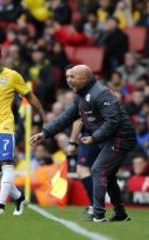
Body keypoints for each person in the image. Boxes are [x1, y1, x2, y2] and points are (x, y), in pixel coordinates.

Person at [30, 65, 136, 222]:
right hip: (107, 139)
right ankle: (120, 213)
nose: (69, 80)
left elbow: (113, 121)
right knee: (109, 176)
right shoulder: (80, 95)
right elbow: (66, 117)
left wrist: (94, 138)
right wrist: (45, 133)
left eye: (73, 77)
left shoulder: (101, 94)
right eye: (68, 77)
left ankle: (98, 214)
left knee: (98, 170)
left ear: (85, 79)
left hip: (120, 138)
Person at [0, 43, 46, 215]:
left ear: (0, 56)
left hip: (5, 126)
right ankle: (19, 198)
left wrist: (42, 115)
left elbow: (29, 96)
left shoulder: (12, 76)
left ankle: (0, 205)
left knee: (7, 164)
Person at [67, 119, 100, 216]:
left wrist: (72, 143)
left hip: (90, 137)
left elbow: (78, 121)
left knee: (82, 170)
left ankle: (95, 206)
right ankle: (95, 205)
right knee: (97, 171)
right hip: (104, 135)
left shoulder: (83, 103)